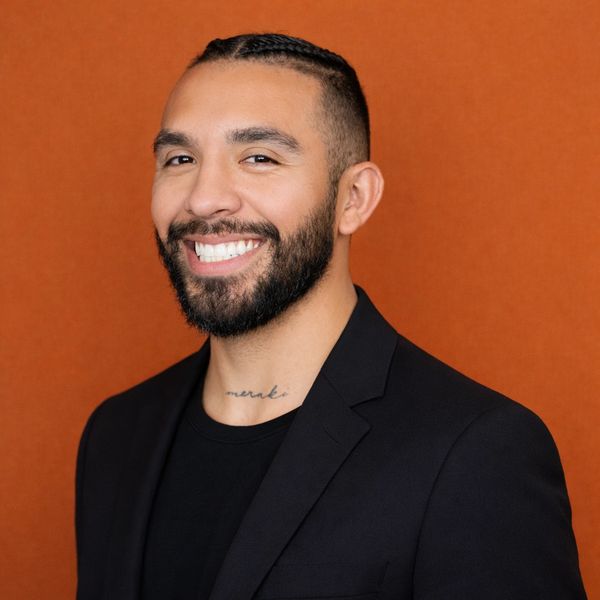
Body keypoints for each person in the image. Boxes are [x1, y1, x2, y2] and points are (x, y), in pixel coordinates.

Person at [75, 33, 587, 599]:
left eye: (259, 158)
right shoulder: (115, 435)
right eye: (180, 159)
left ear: (354, 198)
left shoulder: (476, 454)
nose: (203, 198)